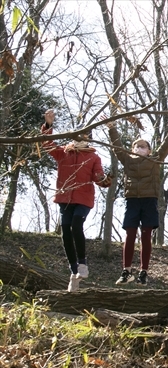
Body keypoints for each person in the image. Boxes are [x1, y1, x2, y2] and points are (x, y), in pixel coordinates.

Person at [41, 109, 112, 292]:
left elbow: (99, 177)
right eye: (77, 135)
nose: (81, 138)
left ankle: (82, 262)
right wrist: (48, 125)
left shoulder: (93, 157)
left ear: (89, 138)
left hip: (83, 198)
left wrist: (105, 180)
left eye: (85, 135)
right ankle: (73, 268)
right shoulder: (63, 153)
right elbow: (48, 145)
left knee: (75, 224)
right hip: (65, 198)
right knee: (65, 229)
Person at [108, 118, 168, 285]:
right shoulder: (127, 160)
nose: (139, 148)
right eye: (136, 146)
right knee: (129, 234)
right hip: (132, 200)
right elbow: (117, 148)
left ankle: (144, 272)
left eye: (143, 146)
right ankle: (126, 271)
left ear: (149, 150)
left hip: (149, 200)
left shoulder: (154, 159)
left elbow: (166, 144)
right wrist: (112, 128)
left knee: (146, 235)